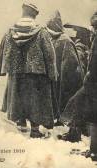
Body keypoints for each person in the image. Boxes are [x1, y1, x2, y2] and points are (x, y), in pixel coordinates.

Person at [2, 2, 58, 138]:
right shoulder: (41, 32)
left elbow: (5, 51)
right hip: (37, 72)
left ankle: (21, 125)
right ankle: (34, 130)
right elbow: (49, 54)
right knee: (36, 100)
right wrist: (52, 72)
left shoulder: (11, 31)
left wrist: (6, 69)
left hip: (17, 72)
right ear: (34, 14)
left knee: (19, 98)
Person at [58, 11, 97, 161]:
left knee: (87, 110)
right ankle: (76, 136)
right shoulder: (92, 39)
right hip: (91, 81)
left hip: (93, 82)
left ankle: (93, 151)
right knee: (79, 105)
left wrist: (89, 76)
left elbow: (93, 62)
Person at [46, 11, 84, 124]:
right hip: (57, 75)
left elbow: (72, 65)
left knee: (62, 95)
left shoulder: (65, 41)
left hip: (64, 77)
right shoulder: (57, 39)